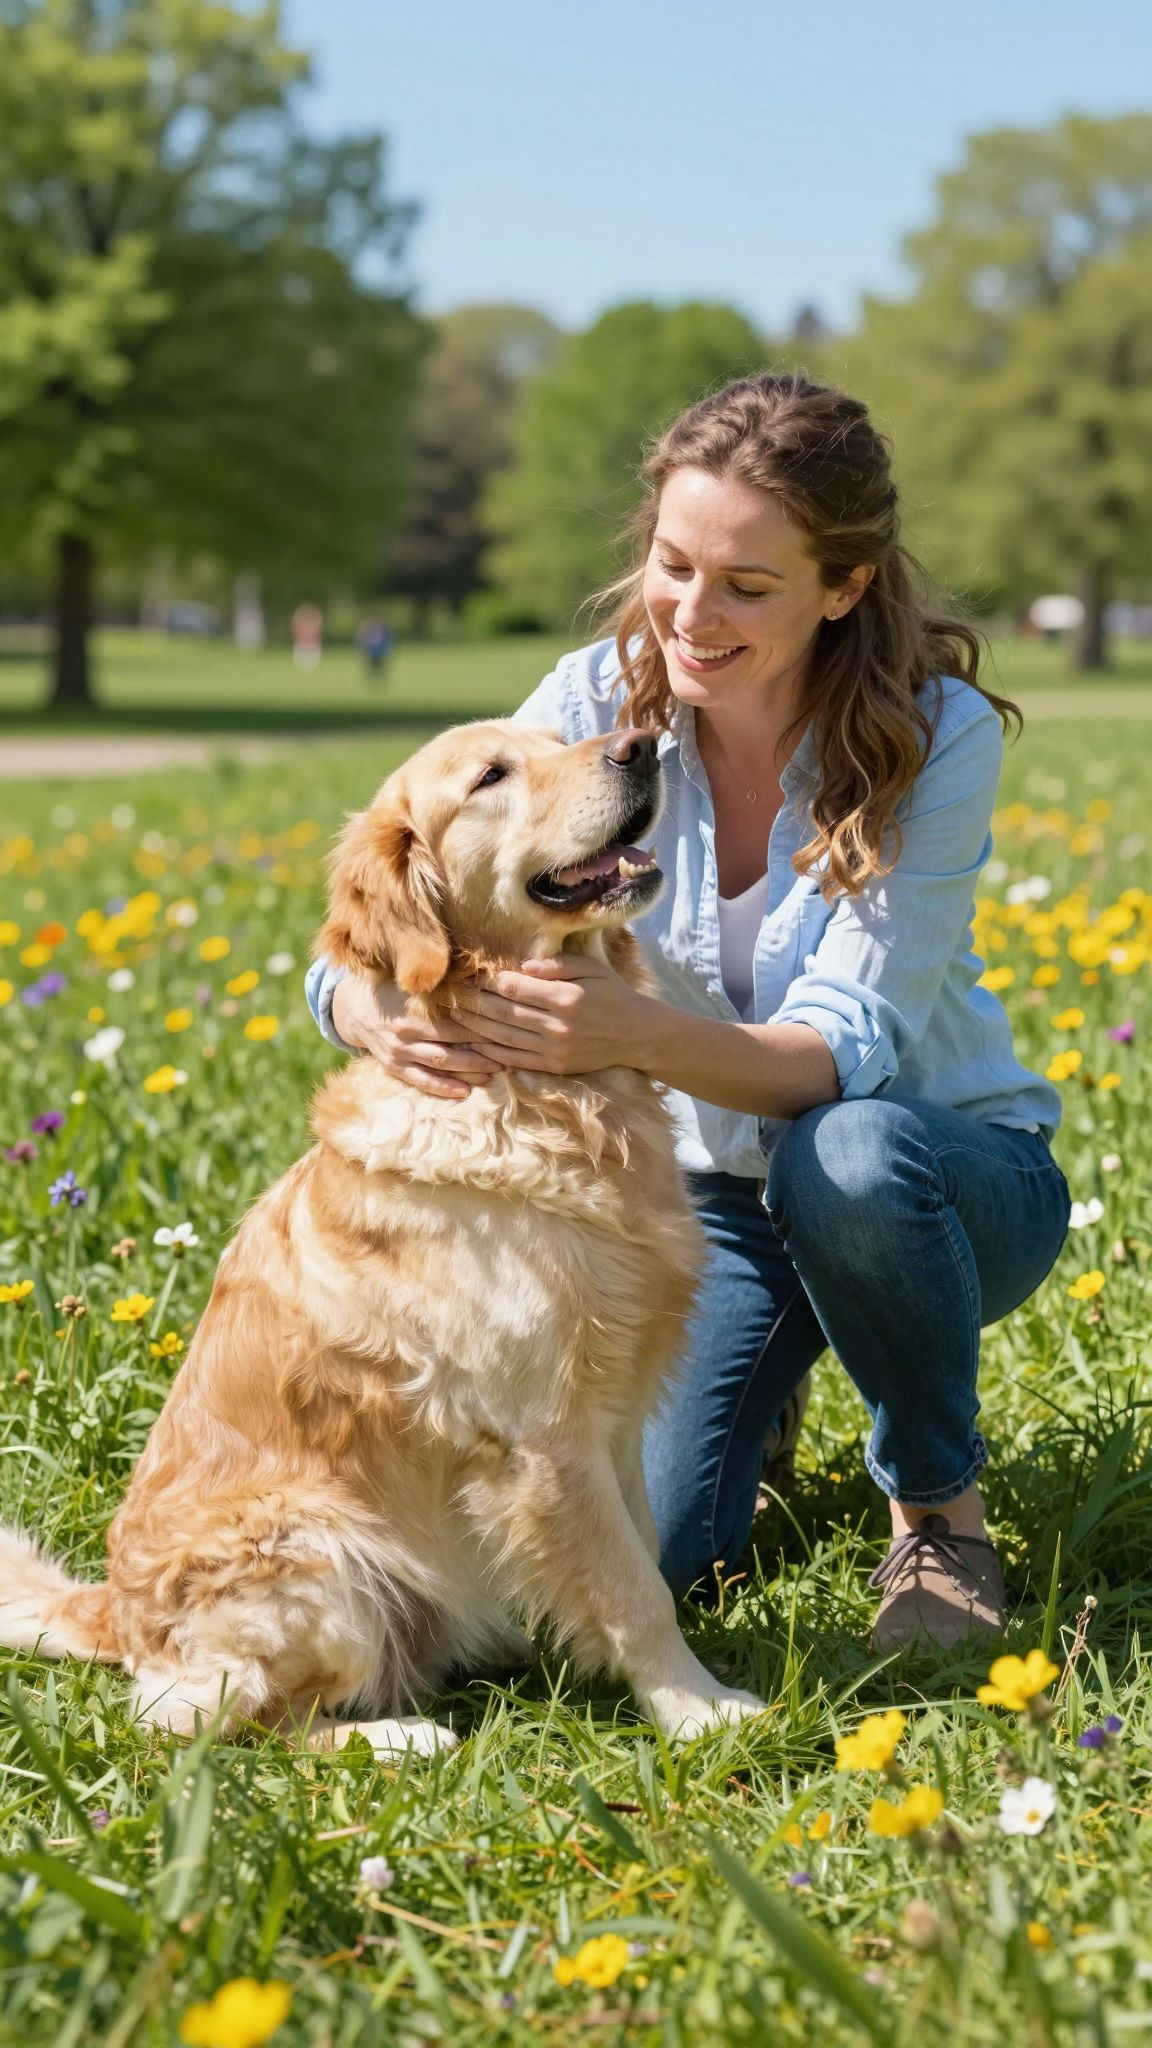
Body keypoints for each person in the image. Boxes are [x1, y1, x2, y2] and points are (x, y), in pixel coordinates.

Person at [305, 371, 1070, 1654]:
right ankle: (770, 1386)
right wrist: (372, 1010)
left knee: (850, 1154)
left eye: (748, 587)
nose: (691, 618)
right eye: (672, 566)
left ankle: (937, 1508)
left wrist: (625, 1031)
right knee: (646, 1549)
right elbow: (388, 899)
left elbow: (842, 1055)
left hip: (939, 1182)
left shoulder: (933, 734)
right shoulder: (592, 703)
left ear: (845, 585)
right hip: (707, 1198)